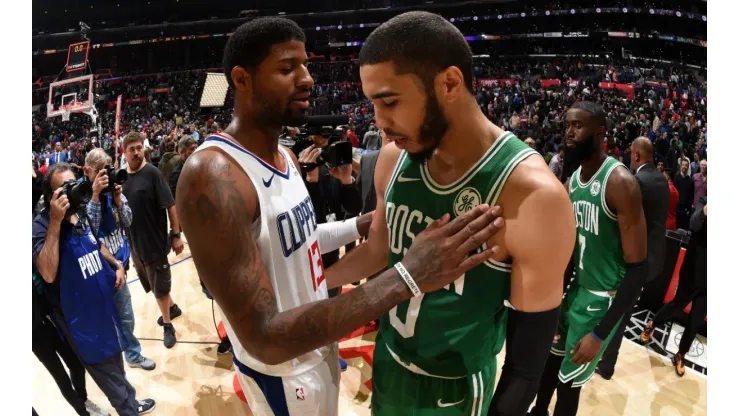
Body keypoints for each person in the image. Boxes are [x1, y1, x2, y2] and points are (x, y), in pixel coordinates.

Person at [176, 17, 504, 416]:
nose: (307, 79)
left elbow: (294, 239)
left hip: (316, 347)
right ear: (241, 80)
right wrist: (409, 275)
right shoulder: (212, 175)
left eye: (305, 64)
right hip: (282, 372)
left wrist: (361, 225)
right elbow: (263, 336)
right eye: (286, 68)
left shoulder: (286, 157)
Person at [327, 11, 574, 415]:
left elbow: (525, 369)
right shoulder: (394, 158)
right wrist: (312, 282)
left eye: (389, 101)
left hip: (455, 391)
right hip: (390, 364)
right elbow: (378, 251)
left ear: (450, 83)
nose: (379, 122)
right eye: (373, 103)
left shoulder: (534, 196)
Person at [529, 101, 648, 416]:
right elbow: (567, 253)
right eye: (567, 124)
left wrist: (600, 334)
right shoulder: (573, 183)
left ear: (600, 133)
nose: (569, 132)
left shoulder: (620, 183)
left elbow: (638, 269)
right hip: (574, 294)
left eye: (578, 126)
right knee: (549, 367)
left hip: (599, 301)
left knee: (569, 387)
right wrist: (554, 302)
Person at [32, 163, 156, 415]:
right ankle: (128, 408)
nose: (75, 191)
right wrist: (56, 221)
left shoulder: (79, 213)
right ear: (51, 197)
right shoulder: (41, 226)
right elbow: (46, 271)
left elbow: (95, 243)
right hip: (82, 326)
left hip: (104, 313)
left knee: (119, 370)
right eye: (66, 188)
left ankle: (131, 402)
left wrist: (117, 265)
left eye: (75, 183)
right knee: (114, 385)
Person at [597, 136, 668, 379]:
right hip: (655, 259)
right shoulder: (661, 179)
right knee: (624, 310)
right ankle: (606, 361)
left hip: (635, 260)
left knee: (617, 311)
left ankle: (605, 365)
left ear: (636, 155)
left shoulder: (637, 181)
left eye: (631, 154)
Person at [82, 148, 156, 371]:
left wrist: (118, 200)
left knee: (125, 317)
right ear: (87, 171)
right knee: (115, 319)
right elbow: (90, 233)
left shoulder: (113, 190)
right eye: (99, 172)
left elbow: (128, 221)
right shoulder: (83, 194)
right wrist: (95, 196)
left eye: (107, 170)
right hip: (101, 270)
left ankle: (129, 357)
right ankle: (121, 360)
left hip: (120, 265)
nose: (105, 176)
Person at [121, 132, 185, 349]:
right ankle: (173, 309)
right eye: (132, 149)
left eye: (139, 147)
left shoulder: (153, 173)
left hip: (155, 243)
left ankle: (168, 325)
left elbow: (170, 205)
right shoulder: (123, 179)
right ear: (125, 152)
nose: (137, 152)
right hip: (135, 246)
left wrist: (176, 235)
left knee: (160, 289)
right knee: (153, 284)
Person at [639, 196, 706, 377]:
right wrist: (706, 211)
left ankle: (680, 354)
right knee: (678, 304)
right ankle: (653, 324)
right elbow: (694, 223)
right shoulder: (706, 201)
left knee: (696, 320)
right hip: (693, 269)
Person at [168, 135, 198, 200]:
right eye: (192, 149)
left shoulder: (197, 167)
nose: (196, 151)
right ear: (182, 152)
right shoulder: (177, 174)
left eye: (196, 148)